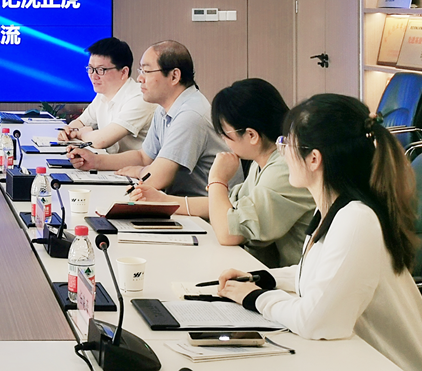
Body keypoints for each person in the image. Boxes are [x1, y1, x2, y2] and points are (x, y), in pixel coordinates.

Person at [216, 94, 422, 371]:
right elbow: (322, 273)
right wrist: (263, 279)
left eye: (286, 143)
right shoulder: (335, 208)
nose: (281, 152)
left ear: (314, 159)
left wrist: (254, 297)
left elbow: (316, 321)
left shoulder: (356, 219)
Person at [128, 78, 314, 267]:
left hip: (294, 278)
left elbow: (229, 232)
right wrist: (164, 201)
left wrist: (217, 179)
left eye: (225, 134)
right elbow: (230, 206)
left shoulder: (284, 169)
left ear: (251, 135)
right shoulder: (264, 161)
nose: (224, 142)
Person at [67, 40, 240, 196]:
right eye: (141, 71)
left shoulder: (190, 114)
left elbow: (157, 178)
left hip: (208, 211)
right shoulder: (165, 108)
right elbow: (143, 157)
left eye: (147, 71)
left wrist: (139, 171)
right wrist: (95, 161)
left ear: (174, 76)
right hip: (181, 200)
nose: (140, 78)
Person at [57, 37, 155, 153]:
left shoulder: (140, 98)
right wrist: (68, 130)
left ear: (123, 72)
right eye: (91, 69)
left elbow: (101, 140)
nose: (93, 75)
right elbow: (81, 122)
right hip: (109, 161)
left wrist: (80, 133)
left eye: (101, 69)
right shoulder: (103, 95)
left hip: (134, 163)